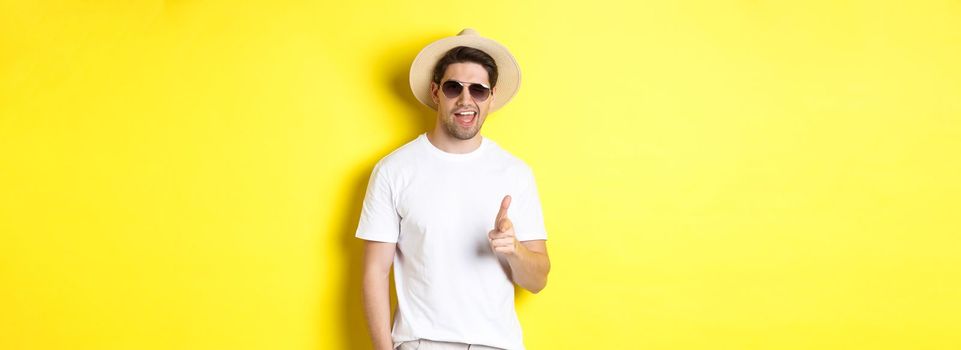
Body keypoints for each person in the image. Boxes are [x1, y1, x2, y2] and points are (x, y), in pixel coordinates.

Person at [355, 28, 550, 350]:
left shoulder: (515, 173)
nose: (465, 99)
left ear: (492, 96)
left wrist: (514, 249)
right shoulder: (394, 170)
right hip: (422, 343)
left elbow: (537, 281)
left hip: (497, 345)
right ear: (435, 92)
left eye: (478, 90)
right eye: (453, 87)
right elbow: (374, 272)